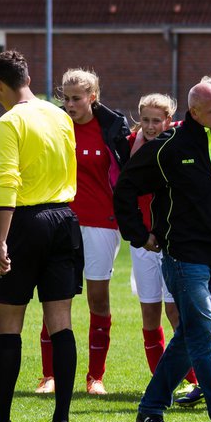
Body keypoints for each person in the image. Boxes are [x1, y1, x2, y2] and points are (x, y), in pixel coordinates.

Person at [114, 81, 211, 422]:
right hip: (183, 257)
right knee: (205, 336)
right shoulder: (169, 147)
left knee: (190, 335)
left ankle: (151, 406)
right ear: (193, 114)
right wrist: (138, 234)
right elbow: (126, 185)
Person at [0, 50, 80, 422]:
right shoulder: (59, 115)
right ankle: (61, 421)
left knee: (10, 325)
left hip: (25, 223)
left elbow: (10, 183)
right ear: (26, 77)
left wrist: (2, 240)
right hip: (64, 219)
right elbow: (46, 166)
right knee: (60, 324)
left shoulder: (8, 123)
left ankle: (1, 419)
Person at [45, 69, 130, 396]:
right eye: (64, 98)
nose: (69, 104)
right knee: (55, 296)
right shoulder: (55, 126)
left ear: (93, 97)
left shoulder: (112, 128)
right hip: (60, 219)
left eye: (76, 98)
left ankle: (95, 377)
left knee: (98, 298)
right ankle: (49, 376)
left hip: (102, 223)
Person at [126, 94, 178, 379]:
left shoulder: (178, 145)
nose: (150, 125)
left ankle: (198, 379)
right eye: (145, 119)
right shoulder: (131, 146)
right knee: (149, 314)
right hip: (143, 241)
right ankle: (160, 380)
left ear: (168, 121)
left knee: (177, 313)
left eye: (156, 120)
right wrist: (140, 234)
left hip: (173, 243)